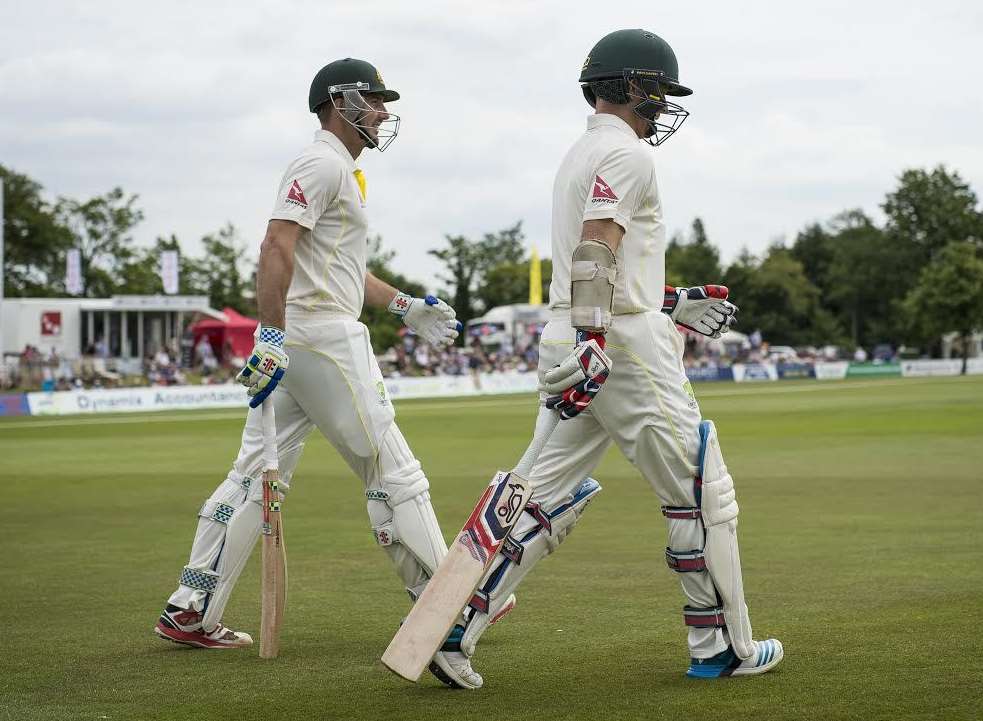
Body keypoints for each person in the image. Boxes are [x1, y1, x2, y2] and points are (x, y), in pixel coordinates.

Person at [456, 29, 782, 680]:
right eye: (657, 90)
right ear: (630, 85)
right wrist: (596, 335)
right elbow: (598, 242)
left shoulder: (579, 153)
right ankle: (721, 646)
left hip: (578, 332)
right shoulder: (629, 156)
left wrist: (659, 301)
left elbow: (604, 259)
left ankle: (453, 626)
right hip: (619, 346)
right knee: (700, 493)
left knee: (542, 496)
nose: (662, 104)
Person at [153, 58, 485, 689]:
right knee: (393, 470)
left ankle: (191, 606)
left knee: (253, 478)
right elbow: (276, 244)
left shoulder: (343, 173)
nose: (384, 110)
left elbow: (335, 266)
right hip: (323, 340)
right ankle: (443, 616)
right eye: (375, 99)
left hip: (304, 342)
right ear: (340, 102)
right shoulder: (322, 163)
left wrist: (404, 306)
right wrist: (269, 333)